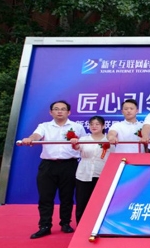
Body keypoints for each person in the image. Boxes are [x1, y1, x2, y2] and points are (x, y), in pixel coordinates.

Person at [21, 100, 87, 239]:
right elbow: (36, 136)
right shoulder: (44, 126)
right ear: (51, 112)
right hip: (48, 166)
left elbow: (85, 144)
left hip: (69, 165)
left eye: (63, 109)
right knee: (45, 197)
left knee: (67, 197)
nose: (59, 111)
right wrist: (30, 139)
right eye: (56, 109)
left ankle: (65, 223)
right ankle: (45, 226)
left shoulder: (77, 127)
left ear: (69, 112)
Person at [71, 116, 112, 225]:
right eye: (92, 124)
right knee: (82, 202)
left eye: (97, 124)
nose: (94, 126)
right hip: (84, 174)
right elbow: (76, 147)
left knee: (101, 202)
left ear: (103, 126)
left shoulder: (109, 140)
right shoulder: (84, 139)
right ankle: (81, 226)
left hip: (102, 174)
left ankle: (98, 225)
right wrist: (74, 143)